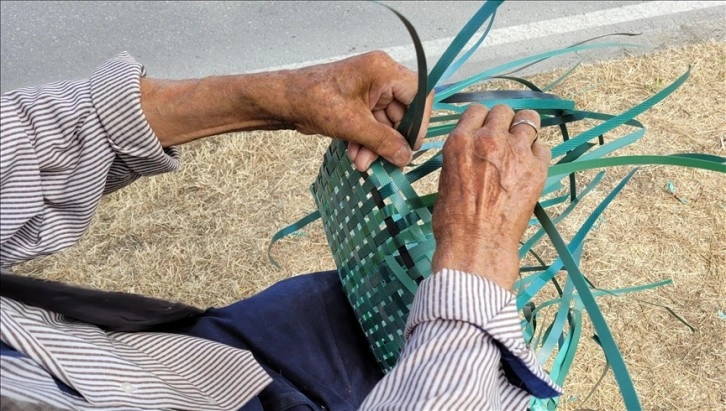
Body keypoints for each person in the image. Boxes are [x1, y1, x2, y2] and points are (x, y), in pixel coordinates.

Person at [0, 50, 562, 410]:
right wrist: (477, 254)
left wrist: (274, 98)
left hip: (177, 362)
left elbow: (19, 149)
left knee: (333, 302)